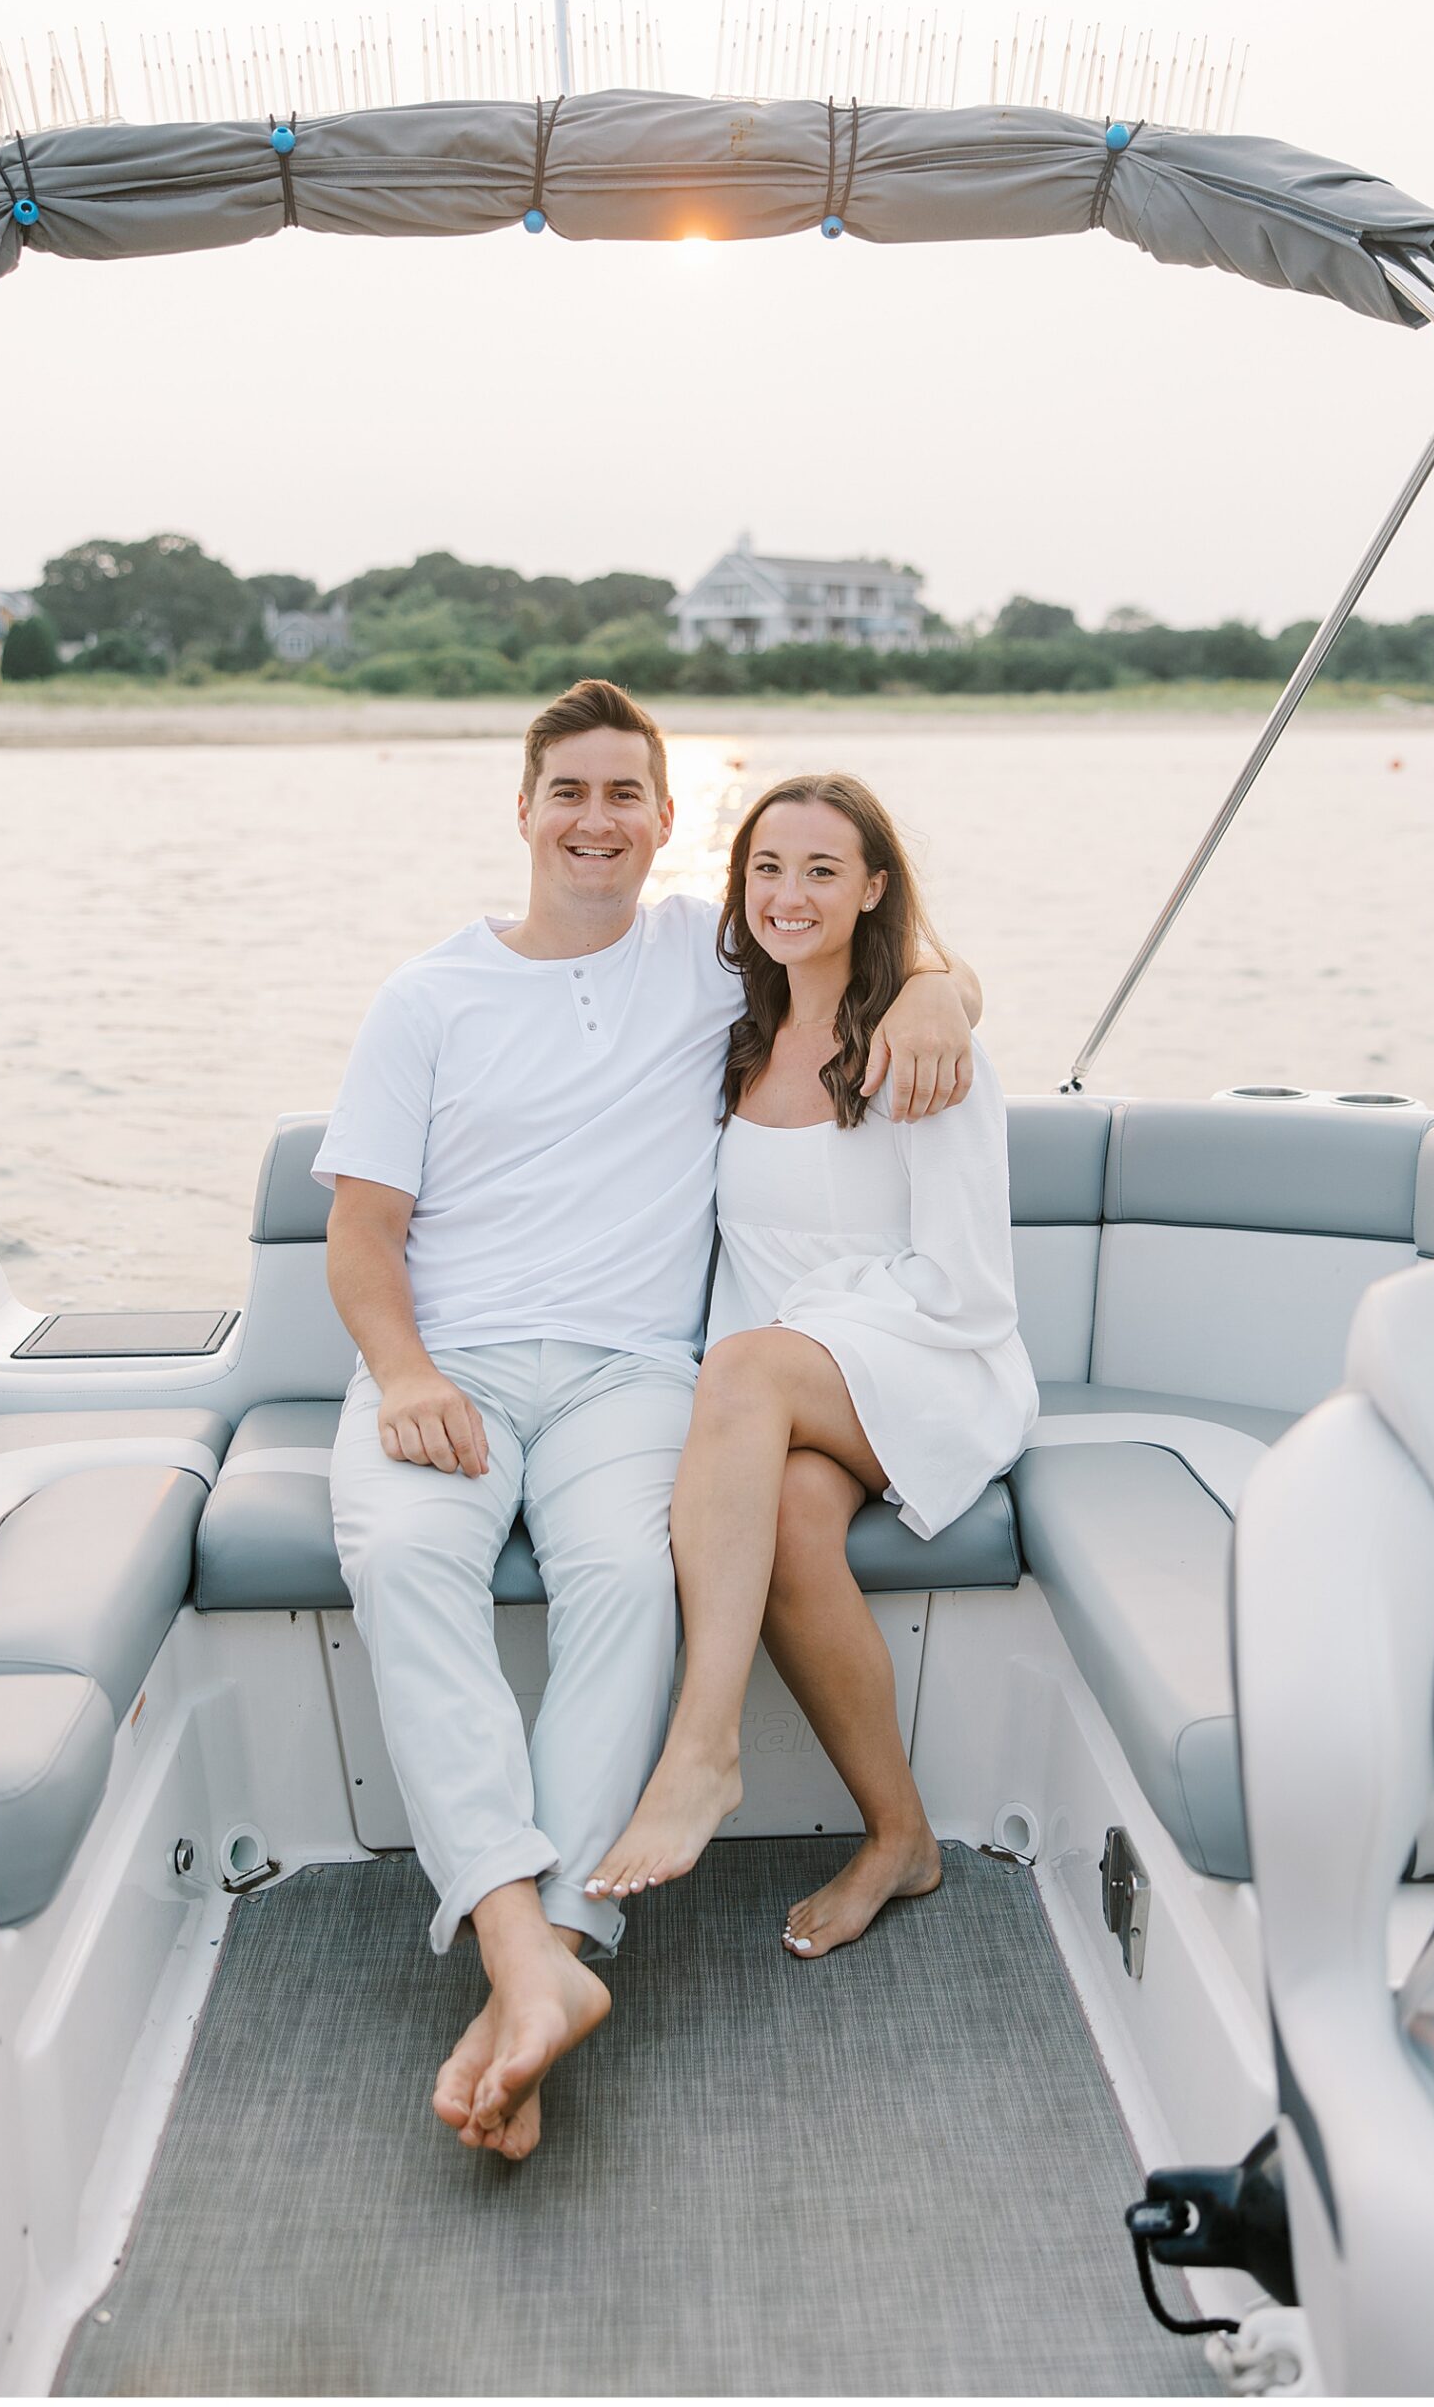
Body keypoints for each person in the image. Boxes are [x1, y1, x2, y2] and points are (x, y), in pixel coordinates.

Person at [315, 684, 983, 2162]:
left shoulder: (706, 958)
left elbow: (865, 942)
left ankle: (549, 1954)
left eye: (628, 794)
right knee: (408, 1568)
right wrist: (409, 1374)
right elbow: (360, 1238)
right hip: (452, 1370)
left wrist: (941, 984)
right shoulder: (427, 998)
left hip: (630, 1376)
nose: (598, 820)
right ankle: (523, 1950)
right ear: (524, 809)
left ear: (670, 823)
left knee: (628, 1580)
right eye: (571, 792)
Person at [587, 773, 1037, 1955]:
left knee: (741, 1367)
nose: (788, 894)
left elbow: (968, 1283)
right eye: (767, 868)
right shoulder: (733, 1030)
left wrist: (943, 984)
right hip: (792, 1386)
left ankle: (703, 1746)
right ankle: (904, 1838)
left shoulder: (922, 1043)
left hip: (930, 1354)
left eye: (824, 870)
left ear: (876, 889)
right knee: (785, 1513)